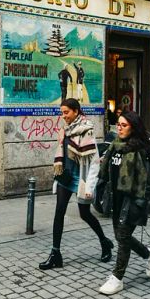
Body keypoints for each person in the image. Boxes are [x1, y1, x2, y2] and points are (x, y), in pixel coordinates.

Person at [39, 98, 114, 270]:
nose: (63, 116)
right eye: (62, 113)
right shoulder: (65, 129)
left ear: (76, 111)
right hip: (66, 176)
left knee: (85, 214)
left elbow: (94, 162)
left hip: (81, 178)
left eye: (66, 112)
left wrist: (89, 187)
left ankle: (105, 242)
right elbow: (63, 153)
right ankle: (55, 254)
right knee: (59, 212)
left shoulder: (86, 130)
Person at [98, 110, 150, 295]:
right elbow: (109, 171)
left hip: (132, 199)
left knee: (123, 238)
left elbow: (145, 181)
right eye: (118, 124)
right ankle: (149, 255)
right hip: (116, 198)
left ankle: (117, 278)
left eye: (124, 125)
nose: (120, 128)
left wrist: (141, 203)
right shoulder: (115, 146)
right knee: (121, 236)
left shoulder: (140, 150)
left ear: (133, 127)